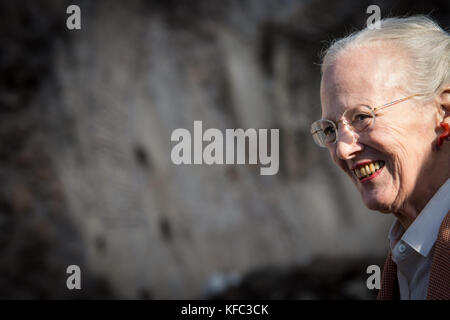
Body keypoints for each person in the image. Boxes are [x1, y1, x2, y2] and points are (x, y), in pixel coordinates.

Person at [310, 16, 450, 299]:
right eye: (330, 130)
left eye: (362, 117)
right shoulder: (407, 257)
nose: (342, 150)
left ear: (444, 112)